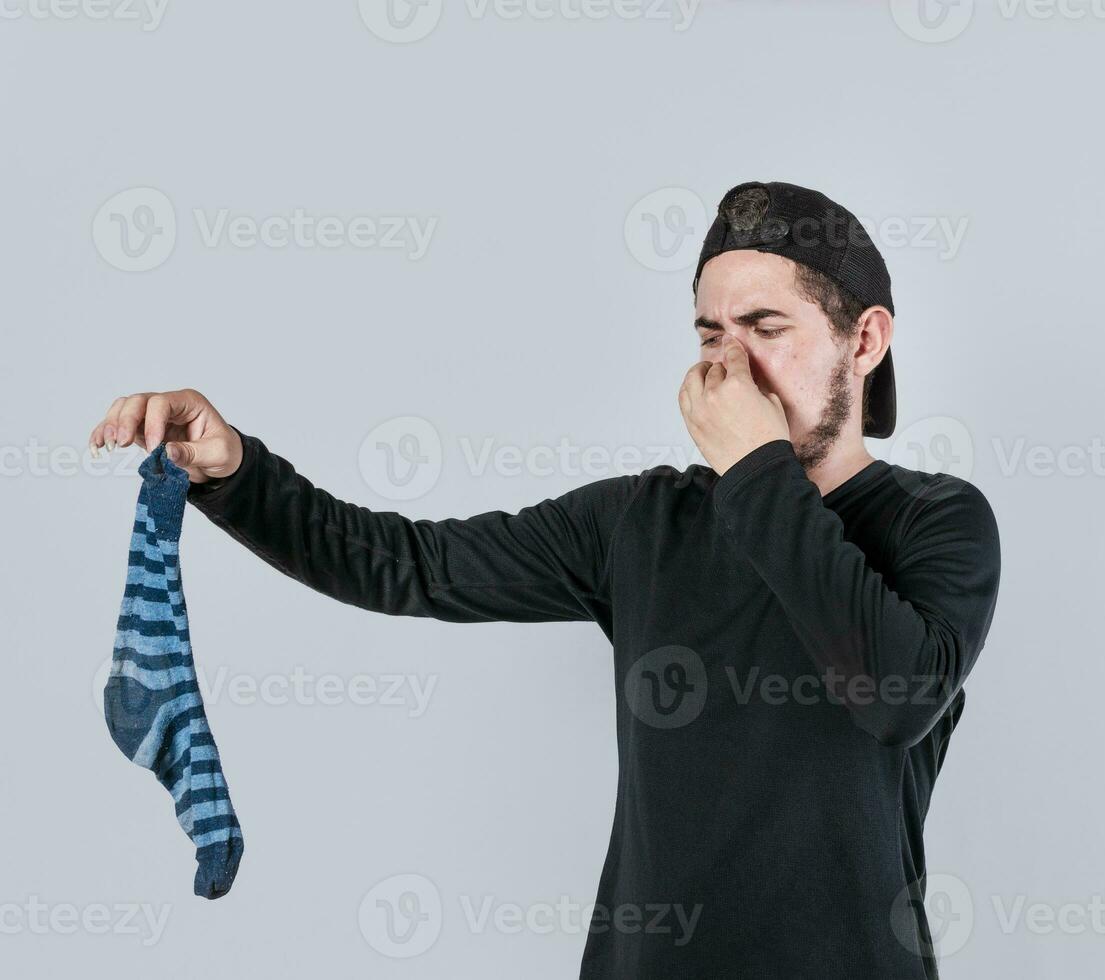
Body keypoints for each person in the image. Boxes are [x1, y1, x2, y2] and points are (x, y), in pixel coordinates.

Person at [87, 181, 1002, 979]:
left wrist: (757, 467)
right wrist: (235, 471)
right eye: (710, 334)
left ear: (865, 340)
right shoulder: (643, 521)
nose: (730, 365)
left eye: (767, 328)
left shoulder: (938, 521)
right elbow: (410, 564)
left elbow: (893, 692)